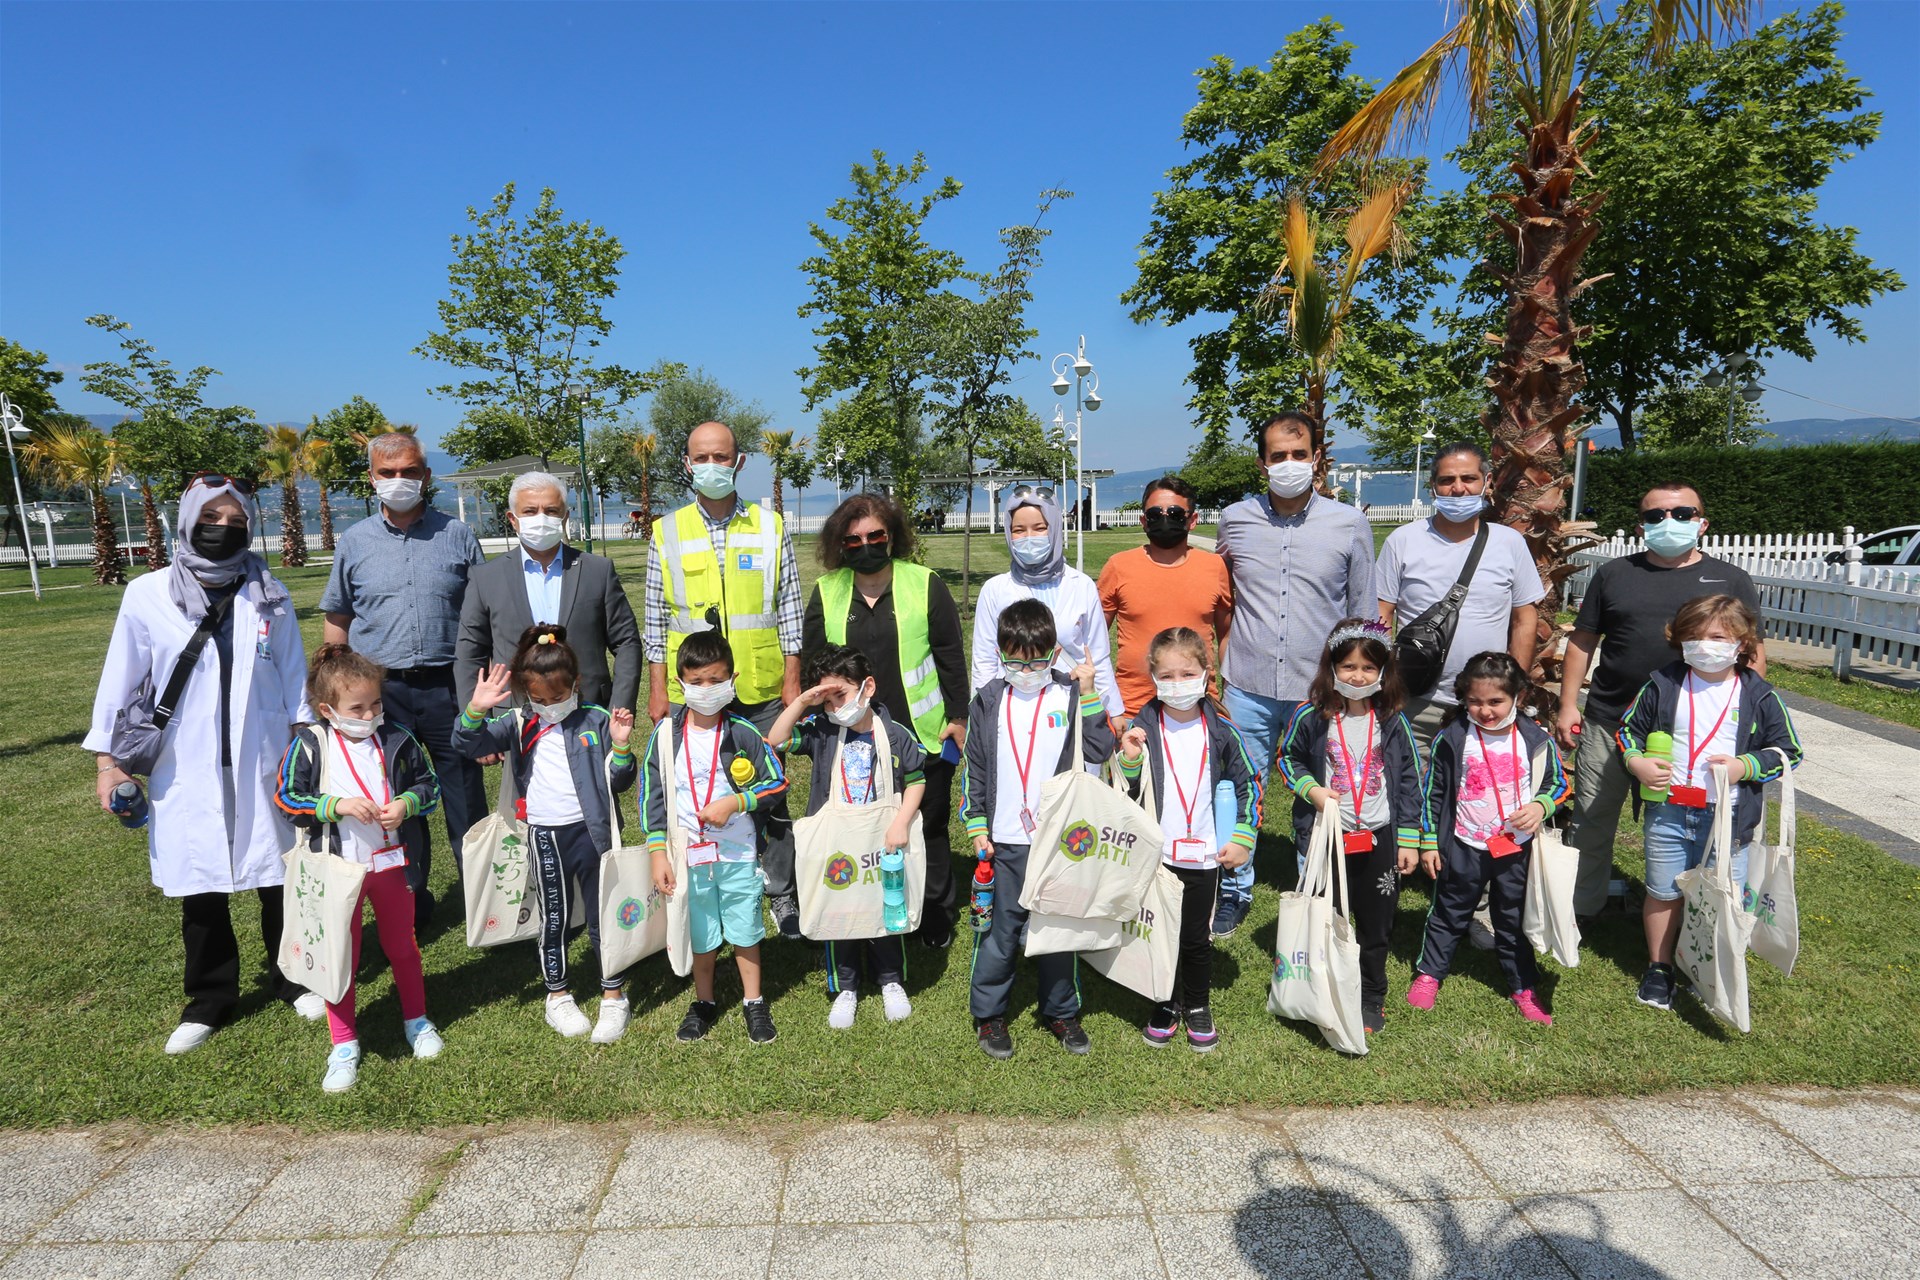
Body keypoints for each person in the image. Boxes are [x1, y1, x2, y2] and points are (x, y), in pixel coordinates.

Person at [86, 476, 322, 1054]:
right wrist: (108, 762)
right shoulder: (147, 594)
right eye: (211, 517)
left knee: (279, 872)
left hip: (263, 752)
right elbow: (120, 678)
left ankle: (295, 978)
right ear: (188, 521)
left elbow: (293, 671)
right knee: (200, 884)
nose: (223, 528)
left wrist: (305, 745)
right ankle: (209, 1000)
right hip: (185, 760)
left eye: (235, 520)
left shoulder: (269, 591)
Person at [1559, 482, 1766, 922]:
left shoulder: (1731, 580)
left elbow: (1751, 651)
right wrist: (1568, 704)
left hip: (1698, 729)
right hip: (1611, 719)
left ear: (1702, 523)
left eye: (1681, 513)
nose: (1668, 522)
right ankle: (1580, 911)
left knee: (1698, 824)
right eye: (1655, 516)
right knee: (1592, 819)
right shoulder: (1614, 574)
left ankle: (1696, 919)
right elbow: (1582, 641)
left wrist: (1753, 715)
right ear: (1641, 526)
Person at [1213, 410, 1377, 937]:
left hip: (1319, 689)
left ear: (1316, 459)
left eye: (1298, 454)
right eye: (1278, 455)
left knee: (1321, 791)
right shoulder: (1234, 520)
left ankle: (1317, 895)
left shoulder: (1349, 523)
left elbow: (1363, 613)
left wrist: (1360, 685)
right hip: (1248, 682)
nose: (1289, 463)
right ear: (1262, 463)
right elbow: (1221, 596)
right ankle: (1234, 888)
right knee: (1237, 785)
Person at [644, 421, 805, 938]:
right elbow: (655, 619)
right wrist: (657, 689)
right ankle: (700, 882)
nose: (711, 465)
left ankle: (781, 891)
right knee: (691, 789)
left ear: (738, 462)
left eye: (721, 456)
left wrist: (792, 683)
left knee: (768, 792)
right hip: (692, 691)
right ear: (687, 464)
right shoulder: (666, 530)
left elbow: (790, 609)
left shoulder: (770, 526)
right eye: (701, 457)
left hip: (758, 686)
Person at [320, 431, 486, 926]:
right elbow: (338, 616)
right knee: (394, 798)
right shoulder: (355, 541)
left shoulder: (457, 535)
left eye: (409, 471)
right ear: (372, 478)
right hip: (380, 696)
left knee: (464, 794)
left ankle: (484, 897)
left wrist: (485, 700)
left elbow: (482, 617)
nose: (399, 480)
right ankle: (410, 897)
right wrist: (332, 688)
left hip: (448, 687)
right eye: (388, 473)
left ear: (426, 476)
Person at [454, 626, 639, 1043]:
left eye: (558, 698)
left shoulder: (596, 720)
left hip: (593, 835)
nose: (550, 707)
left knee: (603, 915)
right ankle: (558, 995)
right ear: (526, 693)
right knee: (554, 917)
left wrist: (622, 747)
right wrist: (476, 709)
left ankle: (613, 995)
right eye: (540, 699)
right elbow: (467, 744)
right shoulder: (518, 723)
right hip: (545, 836)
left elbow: (619, 781)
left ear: (576, 684)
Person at [1617, 596, 1802, 1011]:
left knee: (1723, 897)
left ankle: (1711, 967)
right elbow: (1628, 731)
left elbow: (1789, 752)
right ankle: (1660, 967)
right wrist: (1636, 762)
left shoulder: (1759, 695)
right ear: (1679, 639)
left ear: (1742, 642)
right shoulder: (1662, 685)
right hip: (1668, 811)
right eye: (1695, 636)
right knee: (1663, 891)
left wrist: (1745, 766)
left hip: (1728, 817)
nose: (1705, 645)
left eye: (1717, 637)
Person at [275, 644, 444, 1091]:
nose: (369, 715)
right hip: (337, 872)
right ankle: (344, 1043)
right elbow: (287, 799)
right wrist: (336, 805)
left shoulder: (397, 737)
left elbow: (429, 785)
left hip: (391, 866)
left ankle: (417, 1021)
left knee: (403, 946)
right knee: (340, 955)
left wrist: (406, 804)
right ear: (327, 710)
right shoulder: (309, 745)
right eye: (357, 708)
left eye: (375, 704)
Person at [802, 493, 968, 948]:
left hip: (922, 732)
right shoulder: (828, 590)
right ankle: (867, 903)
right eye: (853, 540)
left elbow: (950, 655)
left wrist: (958, 716)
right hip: (852, 733)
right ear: (840, 544)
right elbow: (813, 664)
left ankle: (934, 911)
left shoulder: (925, 583)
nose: (865, 545)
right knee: (862, 825)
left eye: (875, 536)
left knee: (928, 824)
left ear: (892, 536)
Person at [962, 599, 1116, 1060]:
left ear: (1054, 654)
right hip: (1005, 840)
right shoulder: (988, 700)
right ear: (1000, 654)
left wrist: (1090, 692)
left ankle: (1061, 1011)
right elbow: (975, 767)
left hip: (1060, 840)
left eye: (1036, 662)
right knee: (1000, 931)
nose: (1025, 671)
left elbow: (1100, 748)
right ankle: (990, 1014)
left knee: (1058, 929)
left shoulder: (1070, 694)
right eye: (1015, 662)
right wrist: (976, 822)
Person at [1113, 627, 1262, 1052]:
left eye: (1187, 674)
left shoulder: (1222, 730)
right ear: (1153, 677)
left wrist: (1242, 837)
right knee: (1159, 933)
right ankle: (1165, 1002)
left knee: (1196, 936)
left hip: (1205, 856)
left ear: (1206, 673)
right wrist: (1129, 758)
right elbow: (1124, 791)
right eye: (1167, 676)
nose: (1177, 684)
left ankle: (1197, 1004)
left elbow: (1249, 784)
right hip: (1158, 855)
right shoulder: (1143, 727)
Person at [1405, 652, 1572, 1027]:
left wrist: (1541, 806)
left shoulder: (1536, 740)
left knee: (1512, 920)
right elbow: (1433, 793)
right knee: (1449, 913)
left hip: (1516, 850)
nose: (1485, 711)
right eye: (1475, 701)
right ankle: (1429, 973)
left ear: (1519, 697)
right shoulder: (1453, 738)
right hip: (1463, 845)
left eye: (1495, 701)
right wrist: (1429, 842)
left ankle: (1523, 985)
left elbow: (1559, 785)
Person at [1276, 618, 1424, 1034]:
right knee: (1328, 917)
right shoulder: (1311, 715)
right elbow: (1288, 759)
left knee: (1376, 923)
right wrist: (1311, 791)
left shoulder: (1392, 719)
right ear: (1332, 668)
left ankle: (1372, 993)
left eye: (1368, 668)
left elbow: (1410, 778)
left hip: (1379, 838)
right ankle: (1324, 985)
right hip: (1328, 837)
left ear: (1383, 672)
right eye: (1348, 667)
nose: (1358, 676)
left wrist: (1408, 838)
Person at [768, 644, 928, 1028]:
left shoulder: (894, 733)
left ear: (867, 687)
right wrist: (803, 701)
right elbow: (776, 739)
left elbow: (917, 779)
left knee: (886, 905)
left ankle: (890, 979)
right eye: (826, 700)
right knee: (838, 909)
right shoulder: (822, 730)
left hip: (882, 838)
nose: (833, 706)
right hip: (837, 842)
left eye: (839, 695)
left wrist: (901, 822)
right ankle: (846, 985)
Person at [641, 628, 788, 1045]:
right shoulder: (665, 736)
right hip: (689, 856)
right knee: (701, 929)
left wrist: (737, 802)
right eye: (697, 681)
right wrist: (657, 852)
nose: (706, 689)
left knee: (745, 927)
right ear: (680, 683)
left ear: (732, 680)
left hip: (738, 853)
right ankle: (703, 1001)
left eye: (716, 680)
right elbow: (651, 796)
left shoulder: (743, 732)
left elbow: (777, 783)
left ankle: (754, 1000)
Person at [1376, 442, 1546, 754]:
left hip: (1486, 704)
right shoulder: (1403, 540)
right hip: (1415, 703)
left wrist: (1515, 686)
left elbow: (1524, 619)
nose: (1458, 489)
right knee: (1410, 784)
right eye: (1447, 480)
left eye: (1468, 478)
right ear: (1433, 486)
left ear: (1487, 482)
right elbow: (1382, 613)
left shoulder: (1509, 543)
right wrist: (1384, 682)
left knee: (1478, 784)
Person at [456, 470, 642, 713]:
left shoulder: (597, 571)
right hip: (514, 717)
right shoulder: (486, 578)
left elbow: (626, 642)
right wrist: (475, 720)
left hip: (588, 713)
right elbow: (469, 655)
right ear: (513, 519)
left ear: (564, 517)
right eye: (530, 511)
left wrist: (620, 708)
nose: (541, 518)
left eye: (551, 511)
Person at [969, 485, 1123, 718]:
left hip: (1072, 708)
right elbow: (984, 662)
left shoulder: (1081, 586)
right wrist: (983, 716)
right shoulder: (994, 591)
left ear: (1054, 528)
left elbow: (1098, 655)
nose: (1029, 537)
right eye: (1019, 530)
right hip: (1013, 710)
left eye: (1040, 528)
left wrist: (1112, 711)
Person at [1097, 475, 1234, 720]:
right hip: (1134, 710)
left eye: (1175, 513)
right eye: (1154, 514)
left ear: (1192, 520)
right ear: (1143, 521)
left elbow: (1227, 636)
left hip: (1200, 706)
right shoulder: (1118, 566)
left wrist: (1227, 694)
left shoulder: (1214, 567)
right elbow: (1095, 639)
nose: (1164, 520)